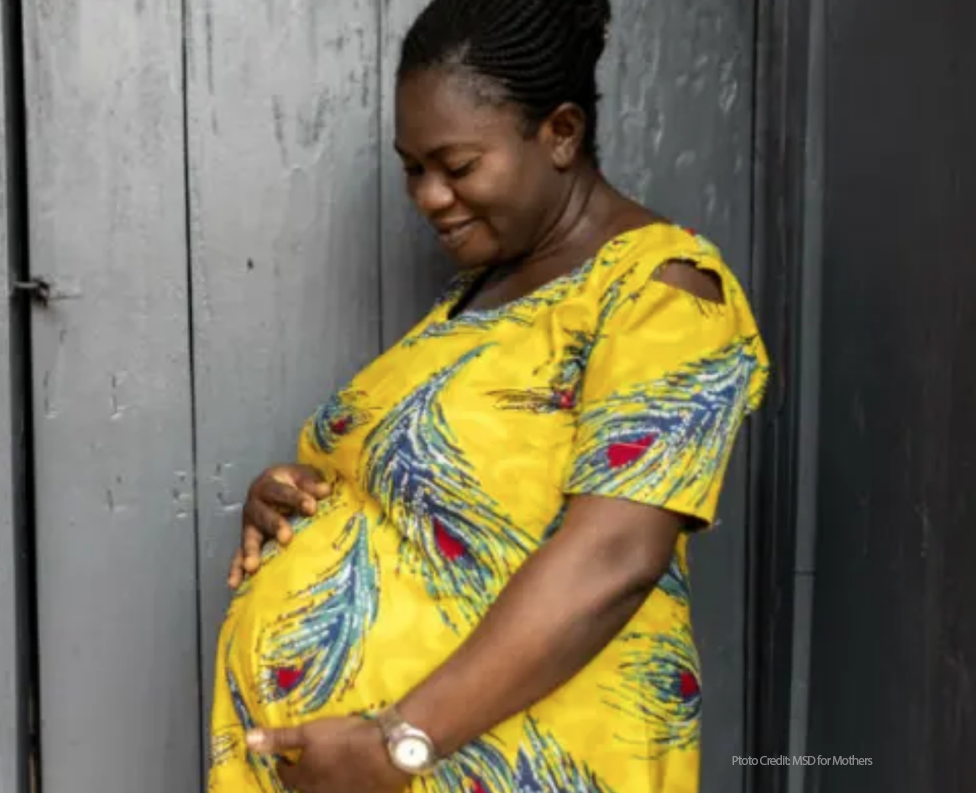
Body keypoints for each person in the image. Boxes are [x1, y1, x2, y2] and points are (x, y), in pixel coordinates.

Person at [207, 0, 769, 790]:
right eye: (413, 168)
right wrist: (293, 501)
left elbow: (615, 556)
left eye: (458, 166)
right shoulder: (478, 296)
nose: (429, 196)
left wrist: (398, 739)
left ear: (562, 134)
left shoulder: (662, 294)